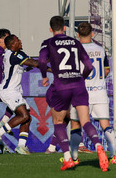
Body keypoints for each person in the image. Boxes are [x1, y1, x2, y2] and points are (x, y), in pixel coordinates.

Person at [38, 16, 109, 171]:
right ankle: (98, 145)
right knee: (85, 121)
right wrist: (80, 78)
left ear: (51, 29)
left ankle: (68, 158)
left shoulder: (48, 43)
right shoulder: (75, 42)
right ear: (64, 28)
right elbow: (89, 66)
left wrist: (44, 76)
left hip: (61, 85)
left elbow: (42, 61)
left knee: (58, 122)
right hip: (78, 84)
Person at [69, 22, 116, 164]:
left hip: (81, 93)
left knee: (76, 124)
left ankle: (75, 158)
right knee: (105, 124)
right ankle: (113, 156)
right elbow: (106, 70)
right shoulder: (100, 50)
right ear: (92, 34)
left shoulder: (75, 50)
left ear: (77, 35)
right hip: (100, 92)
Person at [0, 34, 40, 155]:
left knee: (27, 118)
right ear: (12, 44)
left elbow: (36, 63)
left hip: (15, 92)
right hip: (8, 91)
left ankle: (21, 146)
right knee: (24, 115)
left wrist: (51, 67)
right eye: (18, 40)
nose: (20, 41)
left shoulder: (17, 54)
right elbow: (35, 63)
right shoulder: (13, 55)